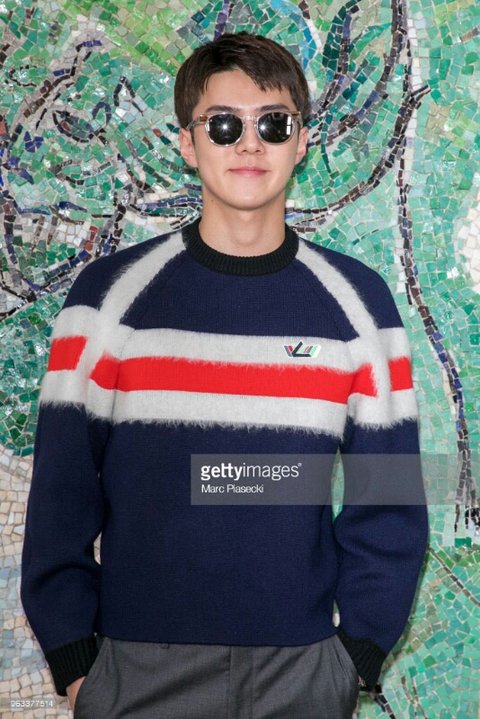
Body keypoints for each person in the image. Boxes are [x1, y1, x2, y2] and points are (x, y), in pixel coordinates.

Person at [20, 31, 429, 719]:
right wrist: (78, 661)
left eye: (273, 124)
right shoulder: (107, 298)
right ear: (188, 143)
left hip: (303, 673)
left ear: (302, 141)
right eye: (223, 125)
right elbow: (62, 491)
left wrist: (353, 655)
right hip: (135, 671)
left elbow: (389, 493)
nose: (249, 144)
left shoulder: (359, 304)